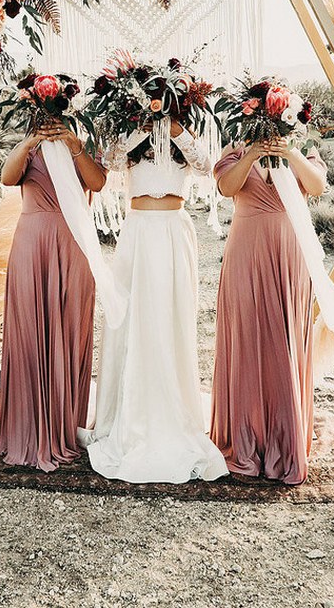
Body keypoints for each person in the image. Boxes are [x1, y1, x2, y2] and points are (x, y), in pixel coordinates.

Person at [82, 119, 228, 484]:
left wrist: (177, 130)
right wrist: (141, 126)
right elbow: (111, 161)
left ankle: (171, 406)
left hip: (174, 230)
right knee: (132, 318)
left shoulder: (183, 139)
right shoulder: (132, 137)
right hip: (139, 231)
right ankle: (127, 412)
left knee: (171, 319)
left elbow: (205, 165)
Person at [210, 136, 327, 485]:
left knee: (285, 338)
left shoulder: (301, 146)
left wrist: (287, 151)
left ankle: (283, 437)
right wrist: (254, 154)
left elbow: (317, 186)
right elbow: (226, 187)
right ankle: (245, 438)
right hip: (246, 249)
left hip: (290, 251)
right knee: (246, 336)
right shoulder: (235, 149)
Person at [0, 119, 106, 472]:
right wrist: (30, 142)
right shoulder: (29, 146)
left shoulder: (84, 143)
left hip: (74, 242)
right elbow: (8, 178)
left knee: (70, 328)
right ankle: (27, 427)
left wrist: (74, 143)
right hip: (32, 241)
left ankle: (64, 425)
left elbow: (98, 182)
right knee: (30, 330)